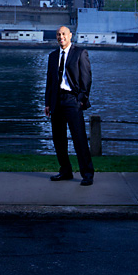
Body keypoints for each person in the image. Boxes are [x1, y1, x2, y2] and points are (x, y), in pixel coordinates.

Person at [45, 25, 94, 186]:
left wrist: (81, 100)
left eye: (64, 34)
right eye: (58, 35)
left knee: (79, 138)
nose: (61, 37)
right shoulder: (52, 56)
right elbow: (50, 82)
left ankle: (87, 173)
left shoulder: (80, 53)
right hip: (56, 101)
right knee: (58, 139)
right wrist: (47, 103)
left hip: (72, 101)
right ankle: (65, 170)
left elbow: (86, 79)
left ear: (70, 35)